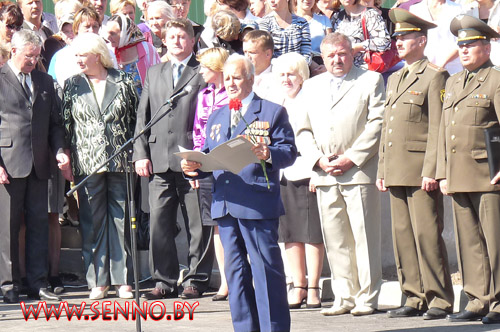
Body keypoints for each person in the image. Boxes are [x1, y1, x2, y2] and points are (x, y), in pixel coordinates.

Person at [181, 53, 296, 332]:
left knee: (265, 271)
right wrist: (194, 166)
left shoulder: (271, 111)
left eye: (237, 77)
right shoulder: (218, 115)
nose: (230, 82)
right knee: (235, 275)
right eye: (227, 77)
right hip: (225, 203)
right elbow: (211, 157)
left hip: (256, 202)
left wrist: (267, 152)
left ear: (251, 79)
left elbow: (289, 152)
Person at [296, 32, 384, 316]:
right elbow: (303, 130)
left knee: (363, 237)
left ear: (352, 53)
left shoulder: (370, 79)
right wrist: (318, 160)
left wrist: (351, 158)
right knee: (335, 239)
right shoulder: (310, 86)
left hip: (357, 170)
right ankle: (344, 296)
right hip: (325, 173)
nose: (337, 59)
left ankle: (367, 298)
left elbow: (377, 123)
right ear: (322, 57)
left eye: (343, 53)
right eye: (331, 55)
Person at [377, 8, 454, 320]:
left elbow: (438, 127)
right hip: (396, 168)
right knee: (403, 236)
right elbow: (388, 127)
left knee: (426, 235)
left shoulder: (436, 76)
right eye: (397, 37)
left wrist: (432, 170)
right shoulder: (395, 78)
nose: (399, 42)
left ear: (421, 41)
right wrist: (382, 168)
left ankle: (439, 298)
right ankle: (413, 294)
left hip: (421, 169)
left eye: (405, 37)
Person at [133, 18, 211, 300]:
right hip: (158, 159)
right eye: (171, 36)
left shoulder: (202, 71)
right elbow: (143, 117)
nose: (176, 41)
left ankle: (196, 279)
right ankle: (163, 280)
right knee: (159, 224)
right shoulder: (154, 72)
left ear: (192, 41)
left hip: (193, 161)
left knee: (197, 225)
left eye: (182, 36)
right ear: (163, 40)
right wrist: (140, 154)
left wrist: (204, 156)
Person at [62, 32, 139, 300]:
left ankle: (123, 280)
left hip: (120, 160)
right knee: (91, 222)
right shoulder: (72, 85)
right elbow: (65, 126)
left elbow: (135, 123)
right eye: (76, 55)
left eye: (83, 54)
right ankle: (97, 280)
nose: (78, 59)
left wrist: (137, 154)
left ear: (98, 54)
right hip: (87, 162)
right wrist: (66, 158)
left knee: (121, 219)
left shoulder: (124, 81)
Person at [437, 15, 500, 324]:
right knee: (469, 243)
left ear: (486, 48)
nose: (463, 50)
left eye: (470, 45)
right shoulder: (453, 82)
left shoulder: (496, 79)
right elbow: (443, 130)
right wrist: (442, 172)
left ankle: (499, 302)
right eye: (460, 45)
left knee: (496, 240)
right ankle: (477, 298)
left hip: (489, 175)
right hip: (459, 174)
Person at [0, 29, 70, 303]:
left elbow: (54, 124)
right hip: (9, 164)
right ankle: (8, 284)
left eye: (37, 56)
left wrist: (59, 150)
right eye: (29, 56)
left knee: (39, 224)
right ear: (14, 51)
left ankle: (37, 282)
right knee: (8, 226)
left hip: (40, 164)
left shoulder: (44, 80)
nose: (33, 62)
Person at [274, 52, 324, 309]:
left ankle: (314, 287)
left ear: (302, 76)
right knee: (290, 233)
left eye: (291, 74)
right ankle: (298, 284)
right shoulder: (275, 102)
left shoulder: (312, 100)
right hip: (283, 173)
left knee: (311, 233)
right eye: (282, 74)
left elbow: (321, 139)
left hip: (307, 170)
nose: (286, 79)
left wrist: (318, 171)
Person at [192, 47, 230, 301]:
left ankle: (240, 279)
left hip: (230, 166)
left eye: (205, 67)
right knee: (215, 225)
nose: (201, 71)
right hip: (207, 168)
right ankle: (225, 283)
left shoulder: (233, 94)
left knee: (232, 224)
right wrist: (195, 163)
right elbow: (197, 130)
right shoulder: (203, 94)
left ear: (217, 68)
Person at [106, 14, 160, 95]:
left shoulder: (147, 49)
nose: (108, 37)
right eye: (107, 33)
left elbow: (158, 79)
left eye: (113, 33)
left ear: (125, 33)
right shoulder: (108, 51)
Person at [331, 0, 391, 69]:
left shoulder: (370, 14)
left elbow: (385, 42)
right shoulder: (336, 17)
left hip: (365, 68)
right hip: (343, 68)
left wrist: (358, 47)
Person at [409, 0, 463, 74]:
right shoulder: (415, 10)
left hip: (452, 71)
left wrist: (442, 64)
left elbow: (461, 40)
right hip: (422, 70)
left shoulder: (458, 9)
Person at [294, 0, 331, 76]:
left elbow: (330, 46)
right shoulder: (290, 20)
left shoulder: (324, 19)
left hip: (321, 66)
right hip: (298, 66)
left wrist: (326, 67)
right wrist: (312, 64)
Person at [242, 30, 280, 102]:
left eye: (252, 52)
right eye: (245, 52)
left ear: (268, 54)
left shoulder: (280, 79)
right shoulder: (241, 78)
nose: (247, 57)